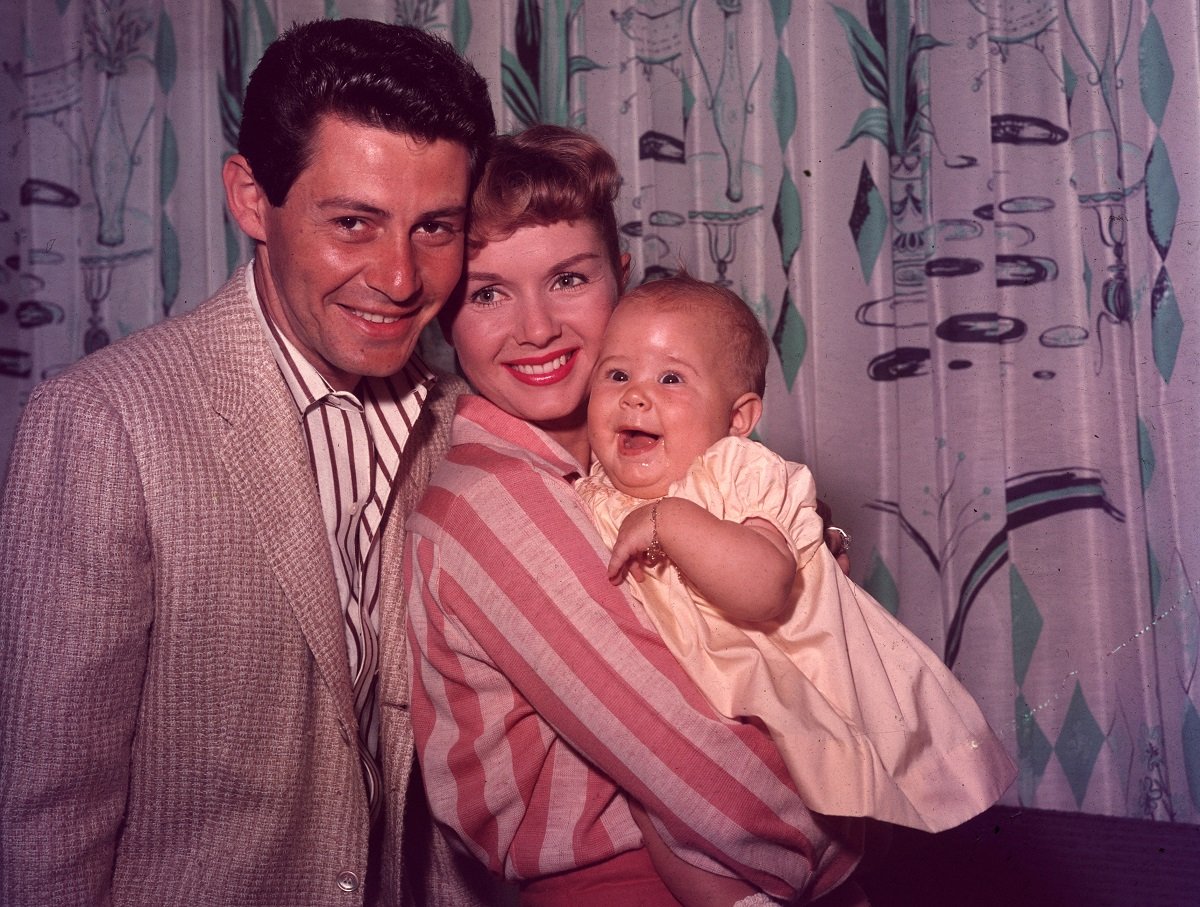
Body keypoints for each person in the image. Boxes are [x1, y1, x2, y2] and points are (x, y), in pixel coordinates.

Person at [0, 19, 502, 906]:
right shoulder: (103, 423)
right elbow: (47, 816)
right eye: (353, 222)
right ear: (247, 197)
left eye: (434, 228)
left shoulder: (465, 423)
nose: (398, 277)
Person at [405, 125, 869, 907]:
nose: (537, 327)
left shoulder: (638, 462)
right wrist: (850, 837)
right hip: (635, 881)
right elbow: (689, 756)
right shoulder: (493, 501)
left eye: (569, 279)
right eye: (488, 293)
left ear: (622, 280)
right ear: (446, 317)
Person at [575, 275, 1016, 843]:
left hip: (773, 723)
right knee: (674, 846)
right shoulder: (593, 493)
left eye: (671, 378)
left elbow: (764, 589)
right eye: (616, 375)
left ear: (738, 419)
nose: (635, 395)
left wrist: (671, 523)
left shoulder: (736, 476)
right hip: (667, 733)